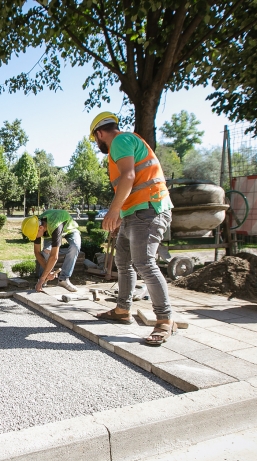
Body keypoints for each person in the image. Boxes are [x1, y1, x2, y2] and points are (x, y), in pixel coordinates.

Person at [89, 112, 175, 346]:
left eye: (96, 140)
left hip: (148, 208)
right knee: (124, 262)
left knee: (144, 263)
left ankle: (165, 320)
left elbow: (128, 176)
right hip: (134, 212)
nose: (98, 144)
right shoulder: (125, 142)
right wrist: (121, 213)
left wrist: (113, 211)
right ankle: (122, 310)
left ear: (100, 134)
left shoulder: (119, 141)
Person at [21, 209, 81, 293]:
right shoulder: (36, 225)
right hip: (50, 230)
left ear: (41, 228)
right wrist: (48, 271)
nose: (35, 238)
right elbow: (37, 252)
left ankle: (63, 280)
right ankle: (45, 277)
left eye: (35, 236)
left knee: (75, 246)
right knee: (46, 251)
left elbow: (54, 256)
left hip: (68, 228)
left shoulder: (55, 226)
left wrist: (41, 279)